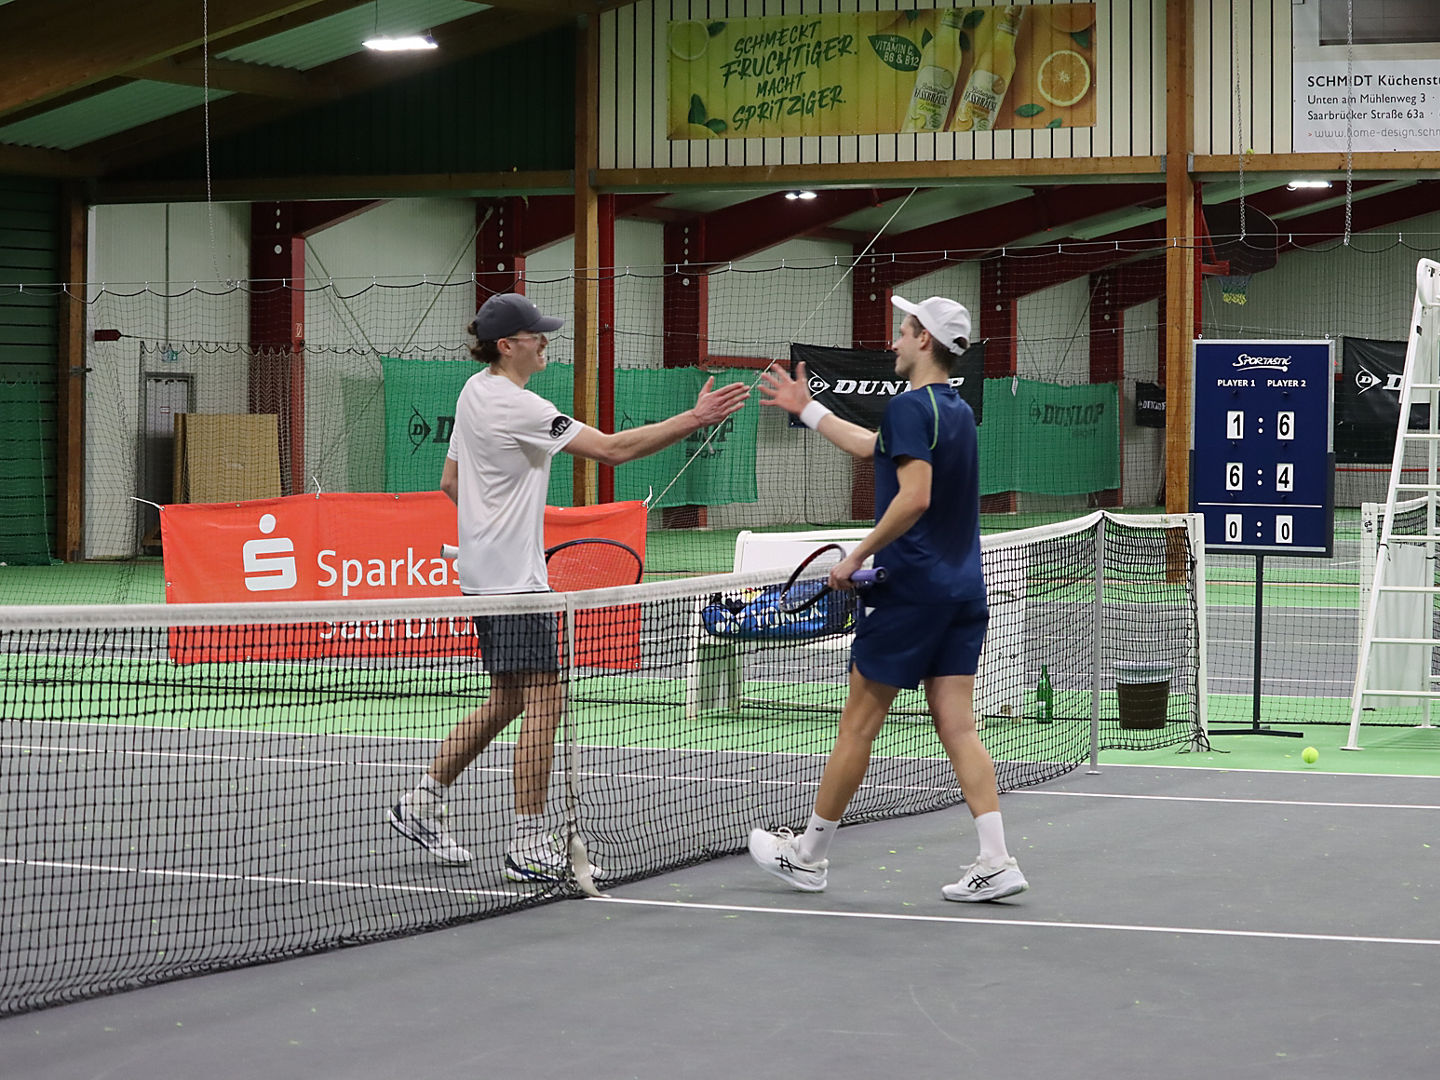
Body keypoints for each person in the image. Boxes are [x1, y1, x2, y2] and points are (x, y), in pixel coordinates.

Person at [389, 291, 748, 881]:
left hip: (482, 575)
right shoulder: (519, 405)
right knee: (544, 702)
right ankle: (528, 843)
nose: (545, 341)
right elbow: (612, 451)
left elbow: (451, 481)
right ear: (508, 346)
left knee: (509, 700)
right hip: (513, 584)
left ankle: (420, 802)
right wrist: (696, 418)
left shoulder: (473, 391)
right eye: (536, 335)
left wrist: (492, 524)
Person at [747, 295, 1028, 903]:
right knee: (958, 727)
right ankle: (996, 859)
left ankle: (808, 856)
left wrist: (856, 556)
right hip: (960, 591)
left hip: (909, 595)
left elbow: (915, 496)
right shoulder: (954, 410)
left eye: (903, 332)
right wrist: (809, 409)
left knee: (857, 727)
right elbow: (871, 446)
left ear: (924, 340)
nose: (894, 343)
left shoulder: (908, 406)